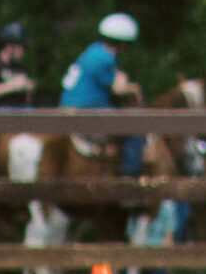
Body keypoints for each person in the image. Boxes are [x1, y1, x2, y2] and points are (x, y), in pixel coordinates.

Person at [61, 13, 145, 176]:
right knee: (136, 126)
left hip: (70, 107)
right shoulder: (105, 58)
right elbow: (118, 89)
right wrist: (133, 88)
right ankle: (129, 176)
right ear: (122, 43)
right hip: (87, 109)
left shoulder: (92, 50)